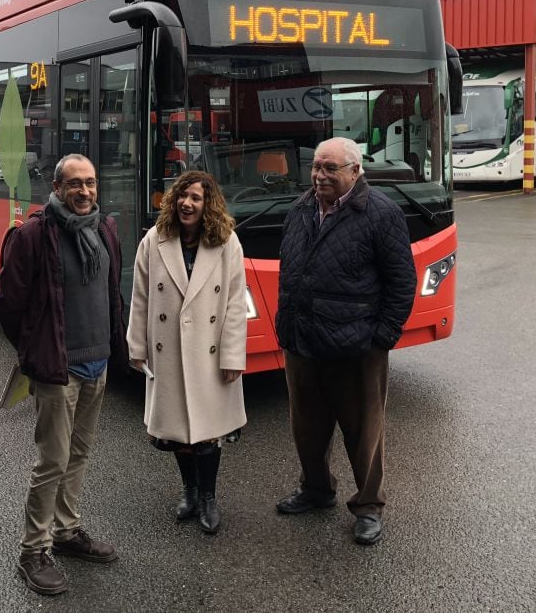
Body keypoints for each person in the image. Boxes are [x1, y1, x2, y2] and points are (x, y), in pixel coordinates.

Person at [0, 153, 128, 596]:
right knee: (51, 461)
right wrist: (35, 352)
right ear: (56, 188)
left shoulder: (105, 230)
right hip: (58, 369)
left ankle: (67, 532)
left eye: (90, 183)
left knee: (79, 454)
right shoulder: (33, 235)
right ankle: (32, 550)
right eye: (75, 184)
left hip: (97, 363)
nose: (84, 191)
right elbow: (8, 305)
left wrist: (116, 345)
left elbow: (111, 294)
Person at [274, 137, 416, 546]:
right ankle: (316, 490)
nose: (319, 175)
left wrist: (382, 337)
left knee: (364, 432)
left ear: (355, 171)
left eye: (330, 168)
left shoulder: (381, 213)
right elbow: (291, 269)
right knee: (308, 428)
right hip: (302, 341)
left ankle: (368, 506)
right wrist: (286, 324)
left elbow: (402, 282)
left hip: (358, 347)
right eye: (316, 167)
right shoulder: (301, 207)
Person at [127, 170, 247, 535]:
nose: (186, 203)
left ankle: (209, 498)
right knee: (178, 432)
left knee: (207, 433)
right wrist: (137, 347)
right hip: (170, 354)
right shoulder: (154, 239)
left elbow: (235, 305)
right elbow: (141, 297)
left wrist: (231, 356)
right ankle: (190, 492)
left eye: (195, 197)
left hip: (207, 355)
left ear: (208, 204)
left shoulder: (227, 242)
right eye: (181, 195)